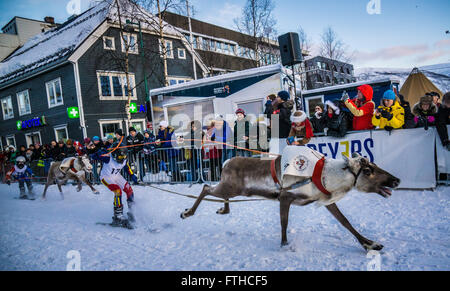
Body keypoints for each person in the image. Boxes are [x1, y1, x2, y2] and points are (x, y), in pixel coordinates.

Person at [90, 146, 138, 228]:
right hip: (106, 177)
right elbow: (93, 157)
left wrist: (132, 175)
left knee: (129, 189)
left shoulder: (124, 159)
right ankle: (118, 216)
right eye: (120, 157)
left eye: (124, 156)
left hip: (116, 176)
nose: (123, 158)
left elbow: (127, 167)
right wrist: (99, 152)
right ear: (115, 155)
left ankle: (132, 212)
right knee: (117, 191)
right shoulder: (108, 158)